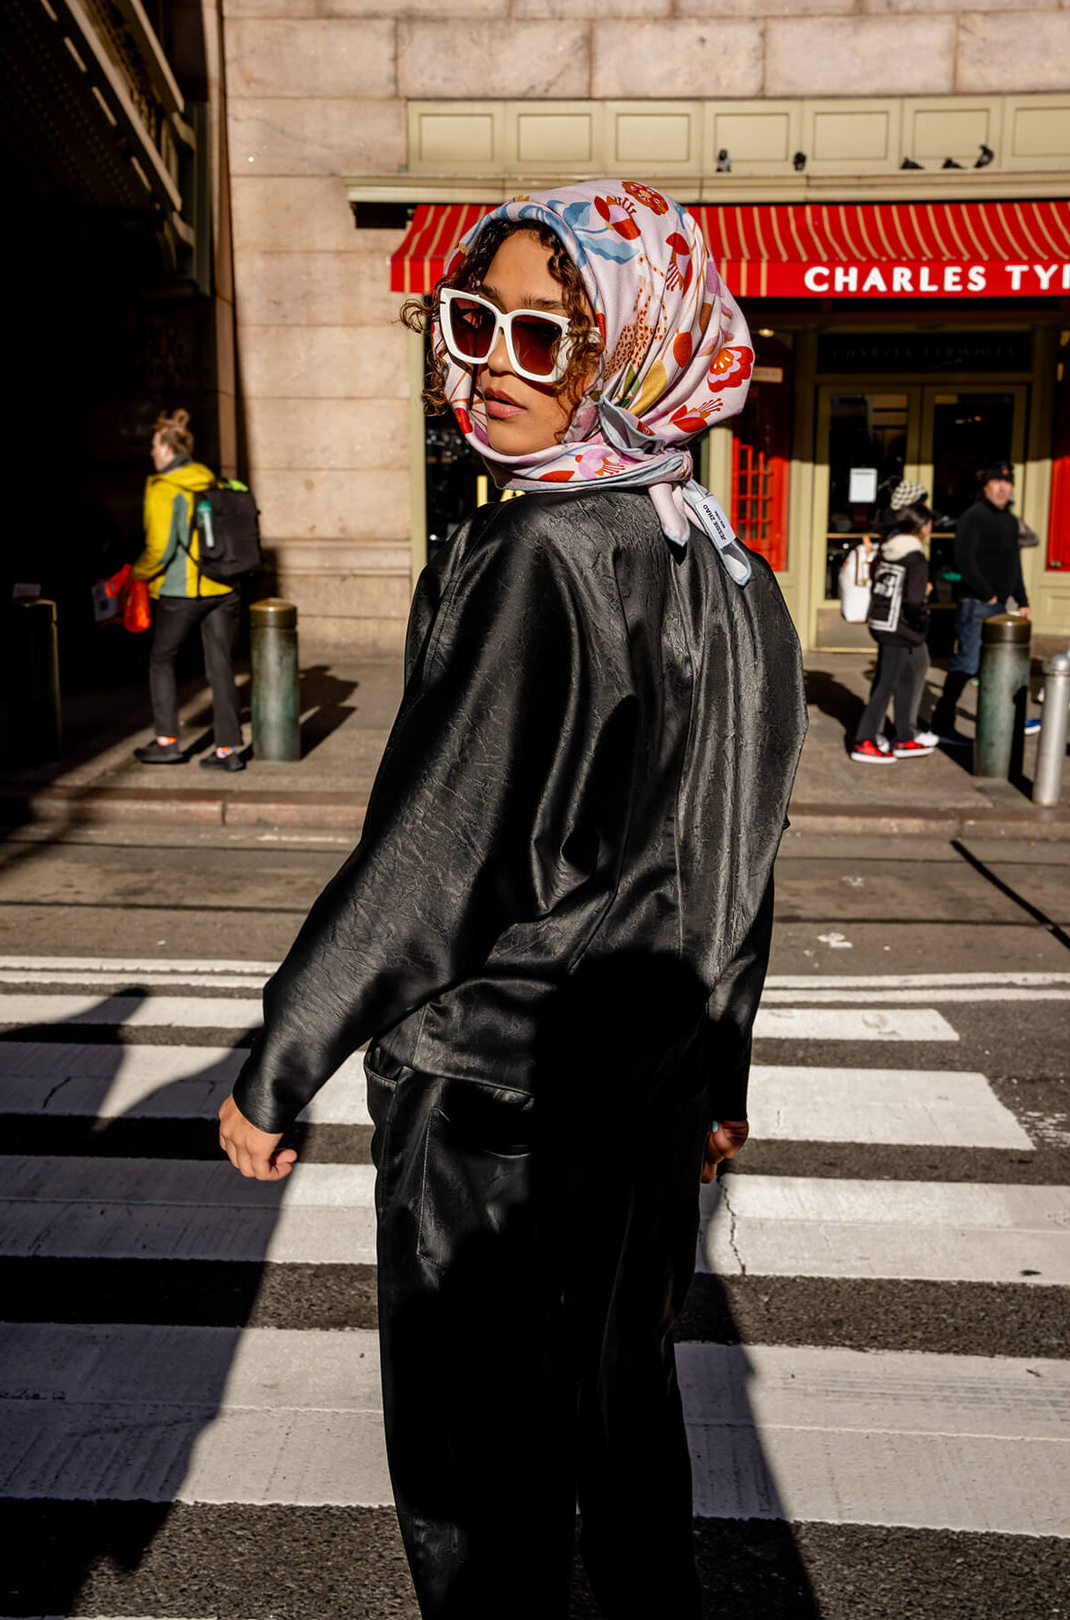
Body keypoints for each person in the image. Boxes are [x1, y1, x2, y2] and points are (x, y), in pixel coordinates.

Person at [217, 182, 806, 1619]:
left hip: (500, 1104)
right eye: (469, 322)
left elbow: (438, 854)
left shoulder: (542, 553)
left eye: (543, 336)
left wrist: (281, 1060)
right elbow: (738, 853)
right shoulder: (727, 567)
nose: (487, 358)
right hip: (647, 1101)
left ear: (633, 349)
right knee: (623, 1420)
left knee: (484, 1474)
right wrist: (720, 1064)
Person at [131, 409, 245, 771]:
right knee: (220, 665)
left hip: (184, 592)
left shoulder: (165, 489)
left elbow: (161, 549)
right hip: (224, 587)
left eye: (154, 444)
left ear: (166, 447)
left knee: (161, 658)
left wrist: (137, 573)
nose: (151, 452)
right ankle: (228, 752)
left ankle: (167, 741)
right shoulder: (209, 478)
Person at [931, 460, 1031, 744]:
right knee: (967, 663)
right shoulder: (973, 517)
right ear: (985, 486)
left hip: (1000, 605)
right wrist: (987, 593)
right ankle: (942, 723)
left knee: (999, 666)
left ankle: (1006, 719)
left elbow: (1015, 562)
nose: (1002, 488)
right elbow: (964, 559)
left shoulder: (1010, 521)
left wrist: (1022, 599)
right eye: (997, 482)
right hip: (976, 603)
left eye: (1007, 483)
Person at [851, 500, 935, 763]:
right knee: (885, 685)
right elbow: (913, 601)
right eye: (929, 522)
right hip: (900, 628)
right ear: (921, 527)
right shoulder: (916, 558)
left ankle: (903, 736)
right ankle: (863, 741)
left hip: (882, 622)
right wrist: (922, 619)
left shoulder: (889, 550)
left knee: (906, 678)